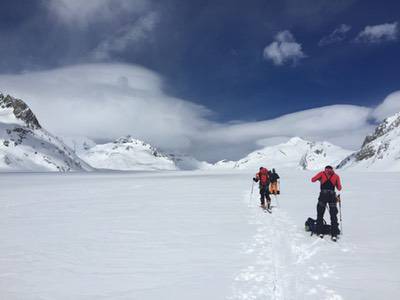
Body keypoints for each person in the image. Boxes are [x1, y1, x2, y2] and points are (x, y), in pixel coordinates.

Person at [311, 165, 342, 241]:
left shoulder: (322, 173)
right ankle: (334, 234)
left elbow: (312, 180)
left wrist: (320, 179)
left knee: (320, 214)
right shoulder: (336, 176)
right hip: (332, 197)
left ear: (325, 169)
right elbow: (339, 188)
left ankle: (320, 232)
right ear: (332, 169)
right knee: (333, 215)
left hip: (323, 196)